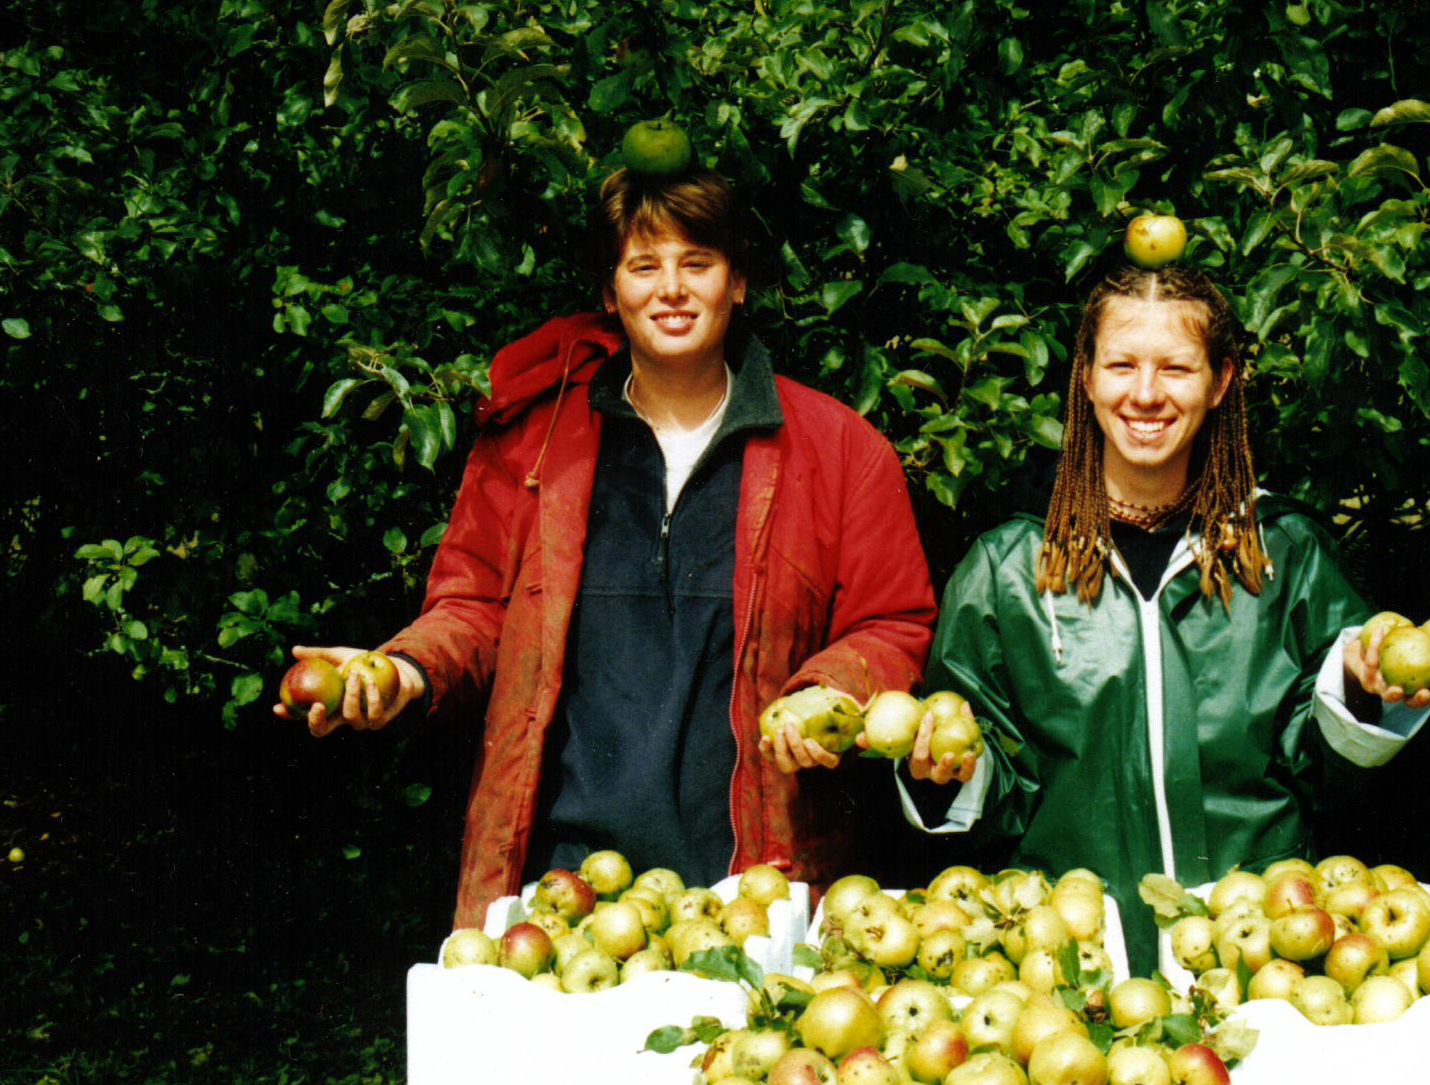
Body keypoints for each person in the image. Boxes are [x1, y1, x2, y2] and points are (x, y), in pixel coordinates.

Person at [275, 165, 937, 928]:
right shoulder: (533, 443)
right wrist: (403, 670)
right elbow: (473, 607)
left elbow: (891, 622)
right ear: (608, 290)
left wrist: (827, 692)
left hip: (754, 888)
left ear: (739, 282)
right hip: (556, 886)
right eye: (643, 265)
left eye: (697, 263)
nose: (671, 289)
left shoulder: (840, 449)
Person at [891, 262, 1430, 972]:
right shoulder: (1008, 569)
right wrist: (941, 771)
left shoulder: (1281, 553)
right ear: (1086, 378)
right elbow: (989, 794)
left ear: (1220, 381)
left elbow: (1328, 778)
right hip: (1064, 966)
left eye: (1176, 369)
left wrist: (1359, 694)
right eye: (1121, 365)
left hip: (1257, 955)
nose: (1144, 394)